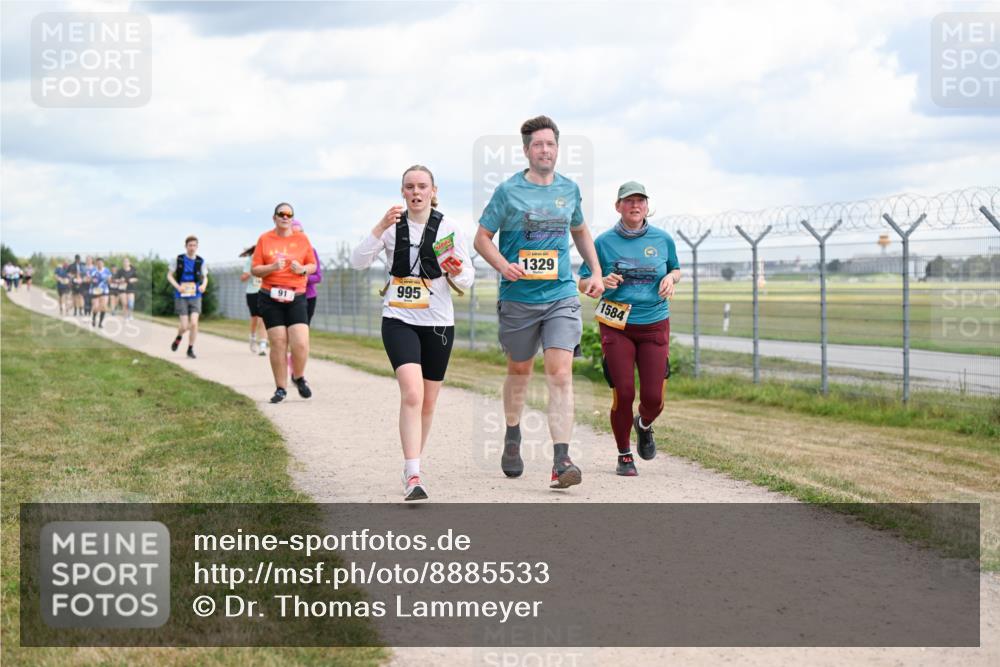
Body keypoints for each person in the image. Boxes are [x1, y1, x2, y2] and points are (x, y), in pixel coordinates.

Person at [474, 115, 604, 490]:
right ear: (526, 150)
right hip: (518, 299)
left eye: (550, 144)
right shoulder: (508, 191)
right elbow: (482, 238)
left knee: (560, 374)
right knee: (520, 372)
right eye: (537, 145)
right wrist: (503, 265)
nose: (544, 150)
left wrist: (594, 270)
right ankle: (512, 434)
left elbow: (579, 230)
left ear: (557, 149)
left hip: (560, 295)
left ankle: (561, 459)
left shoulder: (570, 189)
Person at [351, 165, 475, 501]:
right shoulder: (391, 228)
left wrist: (458, 270)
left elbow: (466, 279)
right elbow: (357, 261)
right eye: (410, 187)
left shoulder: (449, 228)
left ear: (434, 191)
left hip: (437, 322)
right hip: (398, 318)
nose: (416, 192)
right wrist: (379, 227)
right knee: (412, 393)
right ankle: (414, 474)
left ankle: (411, 465)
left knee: (429, 401)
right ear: (403, 192)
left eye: (422, 186)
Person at [578, 182, 681, 475]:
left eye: (640, 201)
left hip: (654, 324)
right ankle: (624, 453)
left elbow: (676, 268)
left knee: (654, 399)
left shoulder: (662, 239)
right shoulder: (603, 242)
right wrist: (600, 282)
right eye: (629, 201)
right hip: (617, 325)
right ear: (618, 207)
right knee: (623, 392)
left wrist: (672, 279)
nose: (635, 206)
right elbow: (584, 281)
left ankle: (644, 424)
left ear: (647, 207)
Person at [251, 203, 317, 403]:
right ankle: (280, 388)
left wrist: (302, 269)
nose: (285, 217)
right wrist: (271, 267)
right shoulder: (265, 239)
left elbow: (312, 265)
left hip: (296, 295)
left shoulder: (302, 239)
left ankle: (298, 376)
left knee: (300, 342)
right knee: (278, 342)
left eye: (289, 214)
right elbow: (255, 269)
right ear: (274, 218)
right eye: (281, 214)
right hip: (270, 296)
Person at [166, 236, 208, 359]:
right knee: (184, 326)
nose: (192, 248)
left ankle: (190, 348)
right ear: (186, 246)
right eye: (190, 245)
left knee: (194, 323)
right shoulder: (178, 259)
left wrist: (204, 285)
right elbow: (169, 275)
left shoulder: (201, 261)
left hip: (195, 294)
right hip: (181, 295)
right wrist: (177, 286)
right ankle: (179, 337)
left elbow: (205, 276)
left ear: (197, 247)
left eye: (194, 245)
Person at [292, 220, 323, 324]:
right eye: (293, 233)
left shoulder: (311, 251)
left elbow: (318, 277)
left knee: (302, 332)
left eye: (300, 232)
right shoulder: (284, 252)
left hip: (308, 297)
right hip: (289, 298)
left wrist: (302, 276)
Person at [239, 244, 268, 355]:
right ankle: (252, 337)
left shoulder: (266, 260)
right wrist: (253, 270)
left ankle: (263, 345)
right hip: (252, 293)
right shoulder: (250, 261)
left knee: (263, 318)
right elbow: (243, 278)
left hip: (264, 292)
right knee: (255, 318)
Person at [90, 257, 112, 328]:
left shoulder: (107, 270)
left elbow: (109, 280)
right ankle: (93, 319)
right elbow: (89, 279)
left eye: (101, 263)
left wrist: (109, 280)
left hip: (104, 290)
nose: (100, 264)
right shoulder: (93, 270)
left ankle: (100, 323)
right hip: (95, 289)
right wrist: (92, 280)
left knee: (104, 307)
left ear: (103, 263)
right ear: (96, 264)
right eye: (98, 263)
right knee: (96, 307)